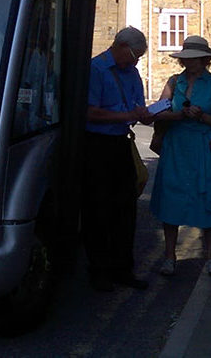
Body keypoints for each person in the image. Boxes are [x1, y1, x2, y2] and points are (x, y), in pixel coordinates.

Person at [151, 36, 211, 278]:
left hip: (204, 146)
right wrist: (179, 114)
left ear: (204, 60)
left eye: (195, 59)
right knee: (172, 199)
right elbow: (158, 112)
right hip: (176, 146)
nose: (190, 64)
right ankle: (169, 256)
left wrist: (203, 118)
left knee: (208, 197)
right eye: (186, 59)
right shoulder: (174, 81)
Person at [84, 26, 152, 292]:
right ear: (121, 46)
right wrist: (124, 116)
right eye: (135, 55)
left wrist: (146, 114)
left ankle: (123, 268)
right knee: (98, 209)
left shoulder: (132, 72)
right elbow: (89, 112)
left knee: (125, 208)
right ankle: (98, 270)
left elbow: (138, 107)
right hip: (97, 144)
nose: (137, 61)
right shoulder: (97, 69)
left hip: (122, 142)